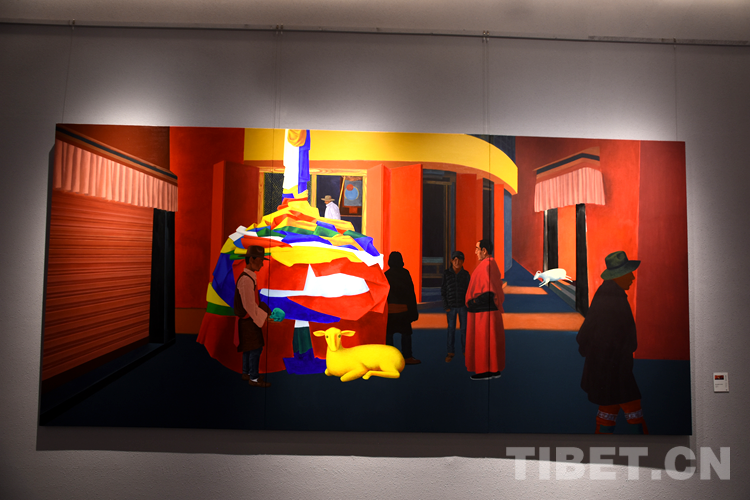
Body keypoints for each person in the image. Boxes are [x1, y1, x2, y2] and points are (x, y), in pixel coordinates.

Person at [576, 250, 648, 434]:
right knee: (631, 407)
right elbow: (622, 337)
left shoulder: (605, 294)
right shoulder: (614, 299)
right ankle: (645, 447)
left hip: (604, 368)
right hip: (616, 368)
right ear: (619, 275)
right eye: (629, 273)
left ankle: (602, 446)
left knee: (608, 406)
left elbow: (584, 334)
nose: (632, 277)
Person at [234, 245, 282, 387]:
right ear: (252, 260)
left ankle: (246, 373)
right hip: (248, 320)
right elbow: (249, 305)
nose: (262, 264)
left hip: (249, 319)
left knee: (248, 348)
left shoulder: (249, 277)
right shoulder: (246, 280)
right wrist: (265, 317)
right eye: (260, 260)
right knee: (255, 348)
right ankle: (254, 378)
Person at [465, 239, 505, 380]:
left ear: (484, 250)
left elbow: (489, 291)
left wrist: (474, 301)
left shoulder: (486, 265)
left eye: (477, 249)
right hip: (486, 311)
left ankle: (486, 370)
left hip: (484, 312)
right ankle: (493, 369)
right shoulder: (490, 264)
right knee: (490, 340)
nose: (475, 252)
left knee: (484, 340)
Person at [384, 251, 421, 365]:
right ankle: (407, 357)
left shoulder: (386, 275)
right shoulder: (405, 274)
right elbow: (410, 294)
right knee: (406, 334)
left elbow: (383, 295)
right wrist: (413, 312)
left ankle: (390, 358)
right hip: (404, 310)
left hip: (390, 311)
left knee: (388, 335)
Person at [441, 250, 470, 363]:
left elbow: (469, 291)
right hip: (451, 307)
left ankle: (465, 351)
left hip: (463, 306)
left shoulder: (466, 274)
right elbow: (443, 291)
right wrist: (446, 306)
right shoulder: (446, 274)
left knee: (464, 330)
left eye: (460, 260)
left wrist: (468, 305)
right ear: (452, 261)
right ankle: (450, 352)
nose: (457, 262)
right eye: (455, 260)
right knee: (451, 330)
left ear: (463, 262)